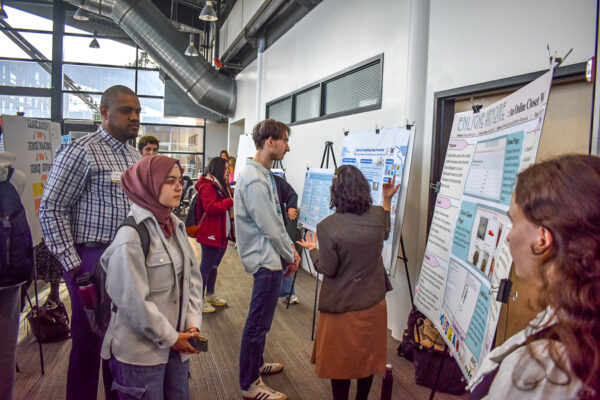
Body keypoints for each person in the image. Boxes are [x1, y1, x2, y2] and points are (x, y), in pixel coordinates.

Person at [39, 85, 142, 400]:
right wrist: (72, 265)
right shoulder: (81, 150)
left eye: (138, 111)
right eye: (127, 111)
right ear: (105, 113)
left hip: (126, 258)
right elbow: (51, 208)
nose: (135, 117)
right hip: (90, 259)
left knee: (121, 342)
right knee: (88, 343)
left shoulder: (134, 154)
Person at [468, 154, 600, 400]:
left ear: (542, 239)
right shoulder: (580, 323)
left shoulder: (540, 368)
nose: (508, 236)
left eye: (514, 221)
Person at [100, 155, 204, 400]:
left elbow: (192, 281)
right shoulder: (131, 237)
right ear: (148, 184)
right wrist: (171, 338)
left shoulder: (174, 226)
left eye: (180, 181)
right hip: (140, 356)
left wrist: (192, 324)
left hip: (178, 348)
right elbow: (133, 303)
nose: (179, 187)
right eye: (170, 181)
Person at [297, 165, 399, 400]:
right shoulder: (376, 216)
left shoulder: (327, 227)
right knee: (368, 359)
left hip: (341, 307)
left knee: (339, 365)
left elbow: (327, 268)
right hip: (373, 304)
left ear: (336, 192)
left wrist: (313, 251)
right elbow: (384, 230)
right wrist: (386, 201)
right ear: (363, 188)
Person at [234, 119, 300, 400]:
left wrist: (287, 254)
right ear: (269, 142)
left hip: (271, 258)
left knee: (262, 321)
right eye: (284, 140)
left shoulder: (264, 175)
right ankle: (250, 384)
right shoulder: (254, 179)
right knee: (258, 322)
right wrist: (291, 254)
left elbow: (275, 221)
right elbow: (271, 226)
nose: (288, 146)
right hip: (265, 260)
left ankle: (257, 364)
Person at [0, 152, 33, 400]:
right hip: (8, 276)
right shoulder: (14, 176)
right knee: (4, 352)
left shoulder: (16, 176)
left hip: (8, 279)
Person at [195, 156, 234, 314]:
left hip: (221, 233)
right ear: (218, 169)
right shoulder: (208, 185)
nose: (228, 171)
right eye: (226, 169)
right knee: (206, 267)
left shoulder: (221, 185)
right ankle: (198, 300)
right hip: (210, 233)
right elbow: (210, 208)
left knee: (214, 266)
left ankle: (210, 294)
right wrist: (230, 202)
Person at [273, 174, 300, 304]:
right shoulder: (255, 183)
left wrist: (291, 206)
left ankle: (288, 292)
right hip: (264, 230)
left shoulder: (277, 181)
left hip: (279, 227)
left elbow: (292, 194)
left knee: (286, 256)